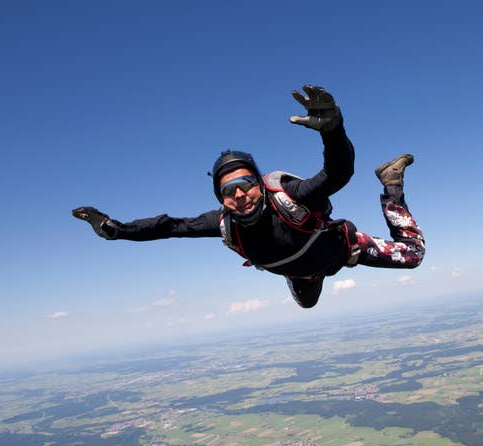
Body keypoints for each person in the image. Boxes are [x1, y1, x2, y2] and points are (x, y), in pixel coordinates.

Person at [73, 85, 425, 308]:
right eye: (229, 190)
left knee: (413, 256)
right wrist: (114, 229)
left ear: (260, 183)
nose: (240, 194)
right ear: (221, 198)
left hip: (345, 249)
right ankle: (301, 274)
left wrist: (334, 131)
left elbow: (337, 174)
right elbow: (169, 227)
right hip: (303, 267)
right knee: (306, 303)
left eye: (246, 184)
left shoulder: (291, 198)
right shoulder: (224, 223)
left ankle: (391, 183)